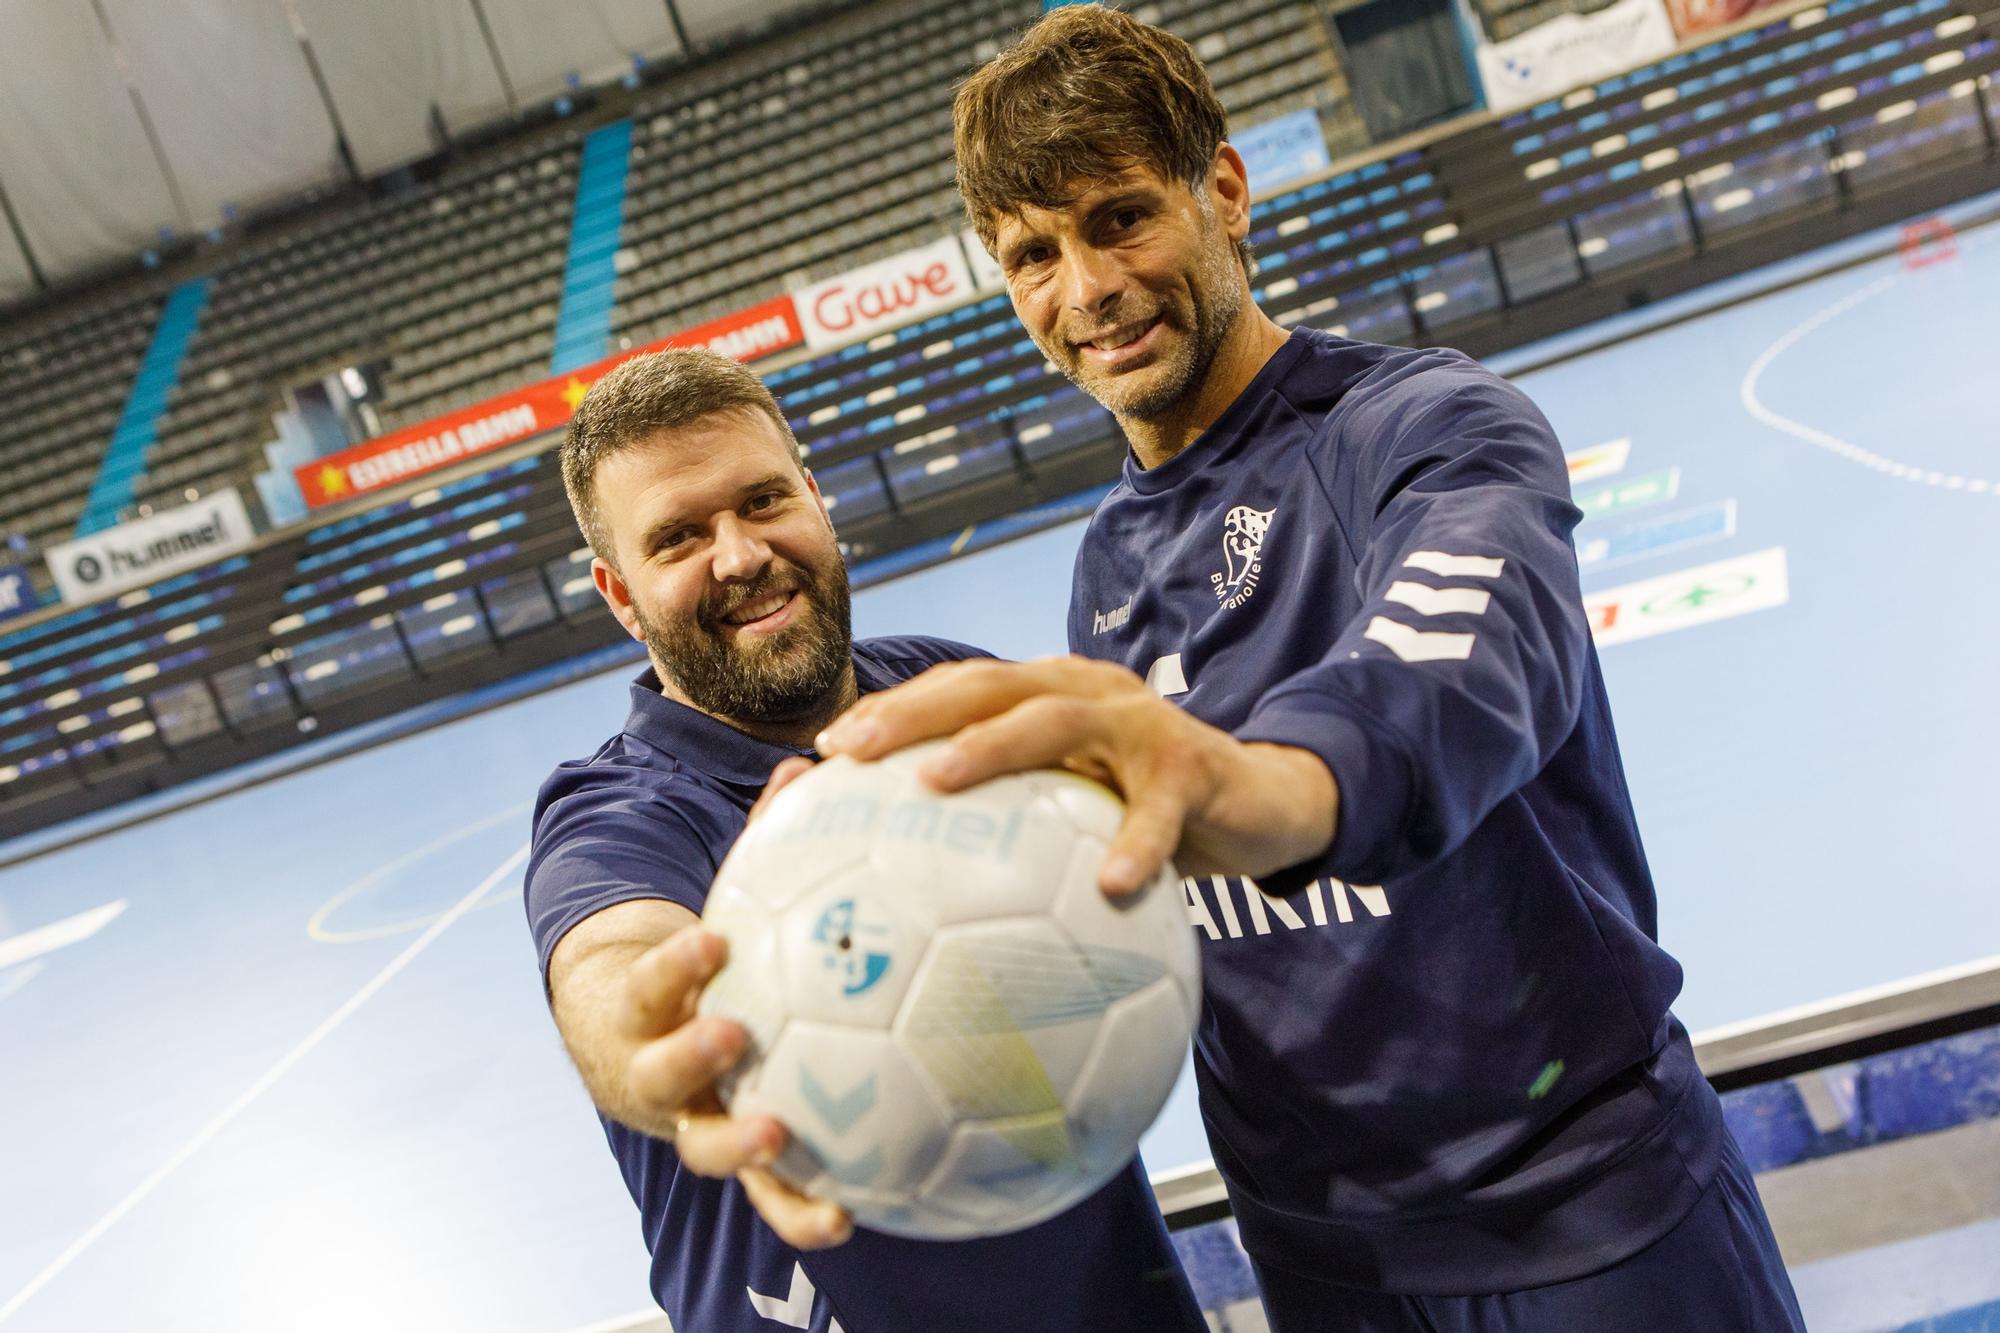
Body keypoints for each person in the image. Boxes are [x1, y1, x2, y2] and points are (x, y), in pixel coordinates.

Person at [809, 7, 1808, 1330]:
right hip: (1324, 1263)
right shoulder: (1107, 561)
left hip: (1588, 1225)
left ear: (1222, 190)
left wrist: (1262, 785)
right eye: (1032, 256)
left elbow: (1445, 683)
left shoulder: (1432, 431)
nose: (1086, 289)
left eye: (1118, 219)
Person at [521, 347, 1206, 1332]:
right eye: (676, 538)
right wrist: (654, 1048)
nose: (739, 554)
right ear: (620, 595)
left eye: (761, 502)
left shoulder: (950, 694)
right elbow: (608, 965)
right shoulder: (620, 811)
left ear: (815, 498)